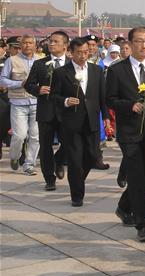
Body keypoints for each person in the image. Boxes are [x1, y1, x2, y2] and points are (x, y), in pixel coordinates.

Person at [105, 27, 145, 242]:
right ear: (129, 44)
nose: (144, 45)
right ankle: (143, 224)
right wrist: (128, 105)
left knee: (143, 178)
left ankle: (124, 207)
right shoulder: (117, 70)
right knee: (137, 176)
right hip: (129, 133)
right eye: (139, 41)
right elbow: (110, 99)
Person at [50, 37, 109, 206]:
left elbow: (102, 96)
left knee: (92, 156)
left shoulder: (96, 70)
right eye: (79, 53)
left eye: (86, 52)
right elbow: (53, 96)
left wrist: (105, 117)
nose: (83, 56)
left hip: (92, 120)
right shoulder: (61, 73)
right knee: (75, 160)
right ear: (71, 53)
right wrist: (66, 101)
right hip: (71, 122)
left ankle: (77, 180)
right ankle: (77, 195)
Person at [24, 30, 69, 190]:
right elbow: (28, 84)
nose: (51, 44)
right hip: (46, 111)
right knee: (45, 146)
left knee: (70, 143)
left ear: (65, 45)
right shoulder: (39, 63)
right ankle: (49, 179)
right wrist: (38, 89)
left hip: (66, 111)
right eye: (50, 41)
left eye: (56, 41)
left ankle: (59, 160)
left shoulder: (71, 63)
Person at [1, 35, 40, 175]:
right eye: (24, 43)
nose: (27, 45)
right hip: (18, 102)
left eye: (30, 43)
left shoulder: (40, 60)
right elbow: (3, 80)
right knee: (20, 135)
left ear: (35, 45)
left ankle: (29, 164)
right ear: (20, 45)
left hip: (36, 102)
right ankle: (14, 157)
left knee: (35, 136)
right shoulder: (12, 61)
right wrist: (19, 84)